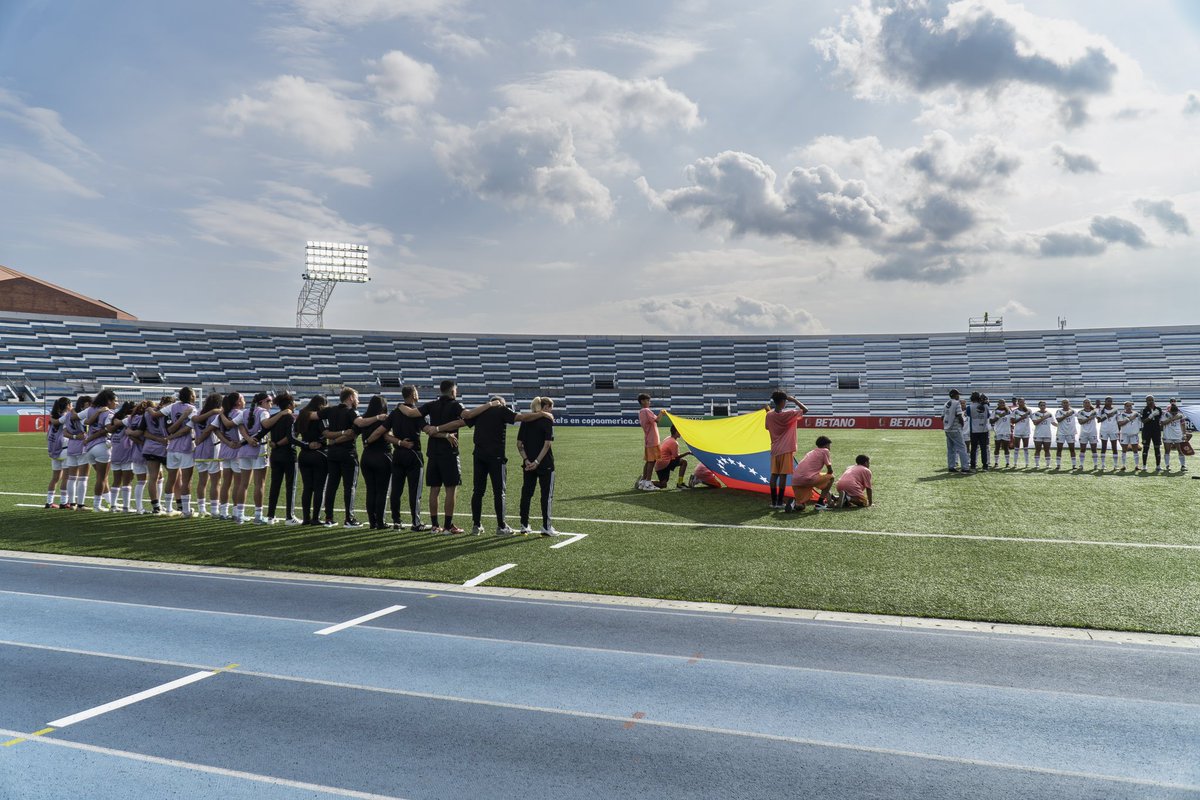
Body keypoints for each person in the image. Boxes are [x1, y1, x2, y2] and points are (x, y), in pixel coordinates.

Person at [462, 395, 553, 535]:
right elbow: (521, 417)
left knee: (478, 491)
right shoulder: (501, 409)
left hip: (478, 455)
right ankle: (501, 526)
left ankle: (476, 525)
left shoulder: (481, 411)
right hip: (496, 456)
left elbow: (465, 420)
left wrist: (438, 430)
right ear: (501, 403)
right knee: (499, 492)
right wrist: (542, 413)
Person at [395, 379, 468, 534]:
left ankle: (435, 526)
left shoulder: (431, 405)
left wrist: (400, 405)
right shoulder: (456, 405)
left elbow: (411, 413)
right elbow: (465, 420)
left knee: (434, 489)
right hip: (450, 452)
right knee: (450, 489)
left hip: (433, 452)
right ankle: (448, 526)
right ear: (453, 391)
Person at [320, 387, 378, 529]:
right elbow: (359, 426)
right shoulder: (352, 412)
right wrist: (378, 417)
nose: (358, 400)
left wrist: (331, 438)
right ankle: (349, 519)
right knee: (349, 487)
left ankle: (328, 518)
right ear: (351, 398)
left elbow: (313, 416)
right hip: (347, 453)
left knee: (332, 486)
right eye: (356, 397)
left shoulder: (331, 410)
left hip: (332, 453)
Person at [383, 386, 429, 532]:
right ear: (413, 394)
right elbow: (427, 429)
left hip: (397, 454)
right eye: (417, 392)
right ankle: (416, 523)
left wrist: (399, 442)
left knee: (396, 490)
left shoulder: (395, 412)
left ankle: (396, 521)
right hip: (413, 454)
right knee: (414, 491)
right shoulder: (416, 413)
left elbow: (384, 434)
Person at [517, 397, 557, 535]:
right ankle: (546, 526)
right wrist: (537, 462)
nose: (552, 410)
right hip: (545, 463)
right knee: (546, 496)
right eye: (551, 407)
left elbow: (519, 445)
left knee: (526, 494)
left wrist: (527, 460)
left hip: (527, 464)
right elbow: (547, 444)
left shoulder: (526, 421)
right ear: (545, 407)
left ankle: (524, 524)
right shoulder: (547, 420)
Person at [263, 392, 302, 525]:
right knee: (291, 486)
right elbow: (290, 438)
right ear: (290, 404)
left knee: (275, 486)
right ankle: (289, 517)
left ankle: (270, 516)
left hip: (275, 455)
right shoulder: (290, 418)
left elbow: (263, 430)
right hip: (288, 455)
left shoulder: (274, 417)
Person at [764, 391, 807, 507]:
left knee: (774, 475)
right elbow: (805, 410)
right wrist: (794, 400)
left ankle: (773, 502)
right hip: (786, 449)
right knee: (783, 475)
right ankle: (779, 502)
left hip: (775, 449)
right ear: (783, 402)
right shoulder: (788, 414)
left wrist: (769, 412)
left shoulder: (769, 415)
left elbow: (767, 427)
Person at [238, 391, 275, 524]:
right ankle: (258, 516)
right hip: (258, 449)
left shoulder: (245, 412)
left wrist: (247, 438)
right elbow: (265, 424)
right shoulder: (263, 412)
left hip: (244, 450)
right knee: (259, 484)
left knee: (243, 483)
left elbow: (238, 424)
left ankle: (239, 514)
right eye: (269, 401)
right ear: (262, 402)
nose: (271, 403)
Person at [358, 395, 393, 530]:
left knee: (370, 490)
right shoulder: (384, 419)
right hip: (382, 456)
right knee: (382, 491)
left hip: (366, 457)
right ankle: (380, 522)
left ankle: (372, 522)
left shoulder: (364, 418)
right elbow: (386, 435)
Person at [82, 388, 119, 511]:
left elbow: (85, 421)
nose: (117, 403)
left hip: (89, 448)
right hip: (102, 446)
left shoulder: (92, 409)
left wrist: (89, 438)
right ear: (108, 401)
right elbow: (106, 430)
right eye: (115, 401)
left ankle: (111, 503)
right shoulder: (109, 413)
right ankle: (97, 505)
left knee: (102, 477)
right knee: (102, 478)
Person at [163, 387, 198, 518]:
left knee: (171, 479)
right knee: (186, 480)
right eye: (194, 395)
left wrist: (171, 437)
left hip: (172, 448)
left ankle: (168, 509)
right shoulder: (192, 409)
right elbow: (186, 430)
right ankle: (186, 511)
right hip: (186, 448)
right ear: (191, 396)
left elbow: (170, 429)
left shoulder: (172, 407)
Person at [295, 395, 329, 525]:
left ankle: (306, 518)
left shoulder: (302, 416)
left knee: (307, 488)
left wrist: (305, 444)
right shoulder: (320, 417)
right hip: (319, 454)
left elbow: (293, 436)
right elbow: (326, 432)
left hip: (304, 455)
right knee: (319, 488)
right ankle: (315, 518)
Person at [213, 392, 245, 520]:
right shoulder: (239, 414)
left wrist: (226, 442)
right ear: (237, 402)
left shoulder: (223, 414)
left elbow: (214, 429)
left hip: (225, 451)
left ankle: (223, 512)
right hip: (237, 451)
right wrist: (237, 443)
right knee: (238, 484)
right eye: (242, 399)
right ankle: (236, 512)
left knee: (226, 483)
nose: (244, 401)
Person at [191, 393, 224, 517]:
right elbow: (210, 429)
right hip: (212, 450)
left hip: (199, 451)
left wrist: (198, 440)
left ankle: (201, 509)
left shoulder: (199, 413)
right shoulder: (216, 415)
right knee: (216, 482)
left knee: (202, 481)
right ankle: (215, 510)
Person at [140, 395, 174, 515]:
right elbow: (171, 431)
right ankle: (174, 506)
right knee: (175, 475)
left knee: (153, 477)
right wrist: (162, 439)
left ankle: (156, 507)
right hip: (164, 449)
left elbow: (142, 432)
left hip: (150, 448)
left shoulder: (148, 413)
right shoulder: (169, 413)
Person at [786, 436, 834, 512]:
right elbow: (830, 470)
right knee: (831, 478)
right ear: (826, 445)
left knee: (801, 507)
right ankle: (820, 503)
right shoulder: (825, 451)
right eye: (829, 445)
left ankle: (795, 503)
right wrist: (826, 488)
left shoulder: (811, 452)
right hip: (808, 479)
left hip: (795, 480)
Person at [62, 395, 92, 509]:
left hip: (71, 447)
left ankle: (72, 503)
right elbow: (86, 430)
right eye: (89, 404)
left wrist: (74, 437)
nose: (90, 407)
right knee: (83, 477)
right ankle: (81, 504)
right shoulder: (84, 415)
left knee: (72, 477)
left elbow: (64, 432)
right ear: (84, 404)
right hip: (83, 447)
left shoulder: (68, 415)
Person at [635, 393, 669, 490]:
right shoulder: (646, 410)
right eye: (648, 400)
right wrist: (662, 413)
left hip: (648, 439)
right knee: (652, 461)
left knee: (648, 461)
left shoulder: (642, 411)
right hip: (653, 440)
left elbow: (654, 419)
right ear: (642, 401)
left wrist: (660, 414)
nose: (649, 402)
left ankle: (643, 481)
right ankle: (648, 483)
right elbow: (657, 420)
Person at [45, 397, 70, 508]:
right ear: (68, 405)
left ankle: (49, 502)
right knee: (66, 478)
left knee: (55, 478)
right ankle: (64, 502)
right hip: (64, 450)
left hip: (54, 451)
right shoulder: (65, 417)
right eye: (71, 404)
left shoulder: (53, 417)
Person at [651, 425, 690, 489]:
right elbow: (676, 457)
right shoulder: (674, 442)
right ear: (676, 432)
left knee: (663, 485)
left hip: (659, 465)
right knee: (684, 462)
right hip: (665, 463)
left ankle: (645, 481)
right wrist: (688, 453)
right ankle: (680, 483)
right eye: (679, 431)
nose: (681, 433)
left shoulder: (668, 438)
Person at [942, 390, 969, 473]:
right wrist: (962, 424)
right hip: (956, 428)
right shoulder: (957, 403)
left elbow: (942, 417)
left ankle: (951, 466)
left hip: (947, 428)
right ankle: (965, 467)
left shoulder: (946, 404)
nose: (959, 396)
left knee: (951, 449)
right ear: (954, 395)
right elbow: (959, 415)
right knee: (962, 448)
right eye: (957, 395)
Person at [967, 392, 991, 471]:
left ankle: (973, 465)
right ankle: (985, 465)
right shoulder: (986, 406)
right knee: (983, 448)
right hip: (984, 430)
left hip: (974, 430)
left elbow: (968, 415)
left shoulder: (969, 407)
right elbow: (988, 415)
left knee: (973, 448)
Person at [1162, 399, 1187, 473]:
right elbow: (1162, 423)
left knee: (1180, 450)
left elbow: (1183, 425)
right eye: (1172, 413)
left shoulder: (1181, 415)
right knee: (1167, 451)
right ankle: (1167, 466)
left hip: (1178, 435)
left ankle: (1183, 465)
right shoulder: (1166, 414)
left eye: (1175, 413)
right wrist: (1172, 418)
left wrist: (1184, 434)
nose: (1174, 414)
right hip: (1168, 434)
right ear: (1170, 411)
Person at [1117, 401, 1142, 472]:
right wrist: (1129, 419)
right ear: (1124, 407)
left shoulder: (1136, 414)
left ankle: (1137, 466)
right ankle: (1123, 465)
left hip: (1134, 434)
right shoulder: (1121, 414)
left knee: (1135, 450)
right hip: (1124, 434)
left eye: (1130, 406)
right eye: (1127, 406)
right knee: (1124, 450)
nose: (1129, 407)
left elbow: (1142, 421)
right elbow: (1120, 424)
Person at [1053, 399, 1078, 470]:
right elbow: (1058, 420)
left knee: (1072, 449)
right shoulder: (1059, 411)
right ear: (1062, 404)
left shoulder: (1073, 411)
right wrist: (1066, 415)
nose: (1065, 404)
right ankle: (1058, 465)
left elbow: (1080, 415)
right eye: (1064, 403)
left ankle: (1074, 465)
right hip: (1061, 433)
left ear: (1069, 403)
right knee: (1059, 449)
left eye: (1066, 403)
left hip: (1071, 432)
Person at [1097, 397, 1120, 471]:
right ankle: (1103, 465)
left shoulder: (1115, 410)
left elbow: (1118, 420)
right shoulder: (1101, 410)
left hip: (1114, 430)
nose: (1109, 402)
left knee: (1114, 447)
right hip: (1104, 430)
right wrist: (1107, 416)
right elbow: (1098, 420)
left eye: (1111, 401)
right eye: (1108, 401)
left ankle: (1115, 465)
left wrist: (1119, 430)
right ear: (1105, 401)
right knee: (1104, 447)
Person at [1141, 396, 1163, 472]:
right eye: (1149, 400)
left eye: (1152, 400)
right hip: (1146, 432)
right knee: (1145, 448)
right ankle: (1144, 466)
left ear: (1154, 400)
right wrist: (1151, 416)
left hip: (1156, 431)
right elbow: (1143, 421)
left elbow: (1160, 420)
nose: (1150, 401)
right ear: (1146, 401)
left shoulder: (1159, 409)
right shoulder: (1144, 410)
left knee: (1157, 448)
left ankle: (1158, 465)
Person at [1076, 398, 1099, 471]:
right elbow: (1080, 422)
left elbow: (1099, 416)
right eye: (1085, 403)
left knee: (1094, 449)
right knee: (1082, 449)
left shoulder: (1094, 412)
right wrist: (1089, 418)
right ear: (1083, 404)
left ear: (1090, 404)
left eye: (1088, 402)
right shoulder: (1080, 412)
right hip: (1083, 433)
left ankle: (1095, 465)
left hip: (1093, 432)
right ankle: (1081, 464)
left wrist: (1098, 405)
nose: (1087, 404)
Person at [1031, 401, 1054, 468]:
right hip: (1038, 434)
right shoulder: (1035, 414)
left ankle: (1048, 464)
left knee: (1047, 450)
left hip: (1047, 434)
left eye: (1044, 405)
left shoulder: (1049, 414)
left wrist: (1060, 426)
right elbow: (1035, 423)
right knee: (1038, 450)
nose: (1043, 406)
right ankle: (1037, 464)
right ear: (1039, 406)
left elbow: (1053, 423)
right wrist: (1044, 417)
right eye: (1041, 405)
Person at [990, 399, 1012, 469]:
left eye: (1003, 403)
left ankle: (1007, 463)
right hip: (998, 431)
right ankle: (996, 463)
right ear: (998, 404)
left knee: (1006, 448)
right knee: (997, 447)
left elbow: (1013, 419)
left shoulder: (1009, 411)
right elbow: (991, 421)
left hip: (1006, 431)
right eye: (1001, 403)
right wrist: (998, 416)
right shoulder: (995, 411)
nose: (1002, 404)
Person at [1011, 398, 1032, 468]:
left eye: (1023, 402)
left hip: (1026, 431)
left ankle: (1027, 463)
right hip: (1017, 431)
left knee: (1026, 448)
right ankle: (1015, 463)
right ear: (1018, 403)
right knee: (1016, 448)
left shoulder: (1029, 411)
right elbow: (1012, 421)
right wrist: (1022, 417)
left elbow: (1034, 418)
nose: (1022, 403)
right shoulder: (1015, 411)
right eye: (1020, 402)